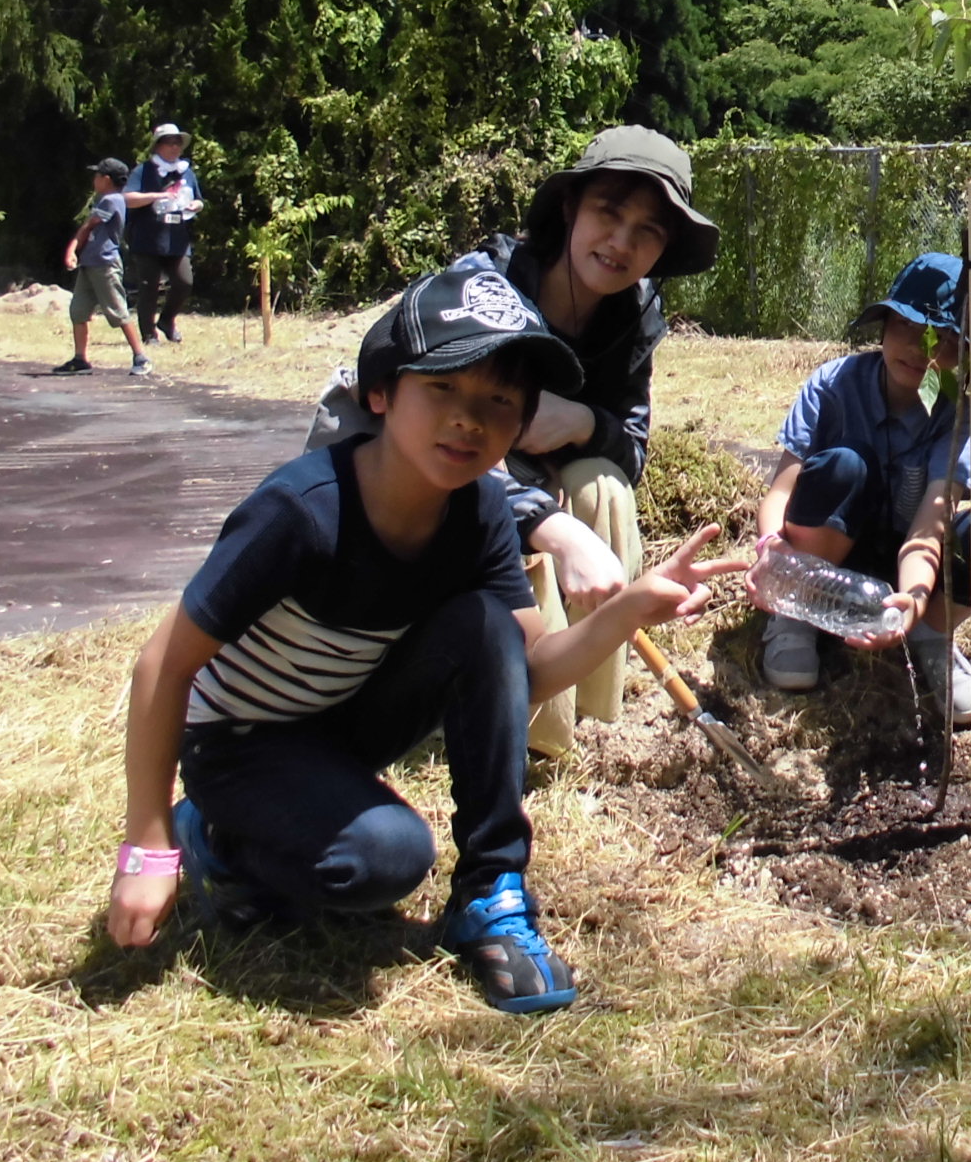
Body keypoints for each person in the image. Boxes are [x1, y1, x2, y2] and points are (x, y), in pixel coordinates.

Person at [102, 266, 742, 1013]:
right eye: (443, 387)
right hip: (240, 742)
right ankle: (217, 835)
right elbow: (161, 667)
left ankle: (489, 892)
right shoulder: (301, 511)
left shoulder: (477, 515)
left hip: (343, 726)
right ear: (381, 392)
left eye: (500, 401)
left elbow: (525, 669)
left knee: (480, 625)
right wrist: (147, 849)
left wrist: (625, 610)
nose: (470, 419)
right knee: (385, 861)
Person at [308, 127, 720, 757]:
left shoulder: (634, 315)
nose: (622, 244)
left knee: (604, 486)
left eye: (648, 231)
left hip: (523, 476)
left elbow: (631, 449)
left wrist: (580, 421)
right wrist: (554, 527)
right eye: (609, 214)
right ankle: (522, 733)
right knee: (530, 535)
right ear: (569, 208)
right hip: (426, 478)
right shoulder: (487, 288)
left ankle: (589, 711)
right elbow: (441, 441)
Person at [754, 251, 971, 725]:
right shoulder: (832, 385)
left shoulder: (958, 418)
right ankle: (797, 616)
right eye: (907, 325)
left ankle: (929, 636)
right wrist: (769, 554)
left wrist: (915, 601)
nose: (919, 349)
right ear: (883, 325)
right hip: (826, 553)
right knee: (844, 467)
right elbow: (781, 492)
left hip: (906, 570)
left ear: (965, 358)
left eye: (943, 340)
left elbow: (930, 526)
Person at [55, 158, 152, 378]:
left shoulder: (112, 200)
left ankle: (141, 356)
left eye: (97, 175)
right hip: (90, 263)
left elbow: (89, 226)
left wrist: (71, 249)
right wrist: (76, 252)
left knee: (118, 311)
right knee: (78, 311)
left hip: (105, 264)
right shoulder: (103, 200)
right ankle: (80, 359)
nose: (94, 179)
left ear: (106, 179)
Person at [123, 124, 203, 345]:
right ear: (158, 146)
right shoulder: (143, 170)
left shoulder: (187, 171)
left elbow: (197, 198)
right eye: (169, 142)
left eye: (178, 142)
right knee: (149, 287)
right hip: (147, 238)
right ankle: (148, 334)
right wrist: (156, 196)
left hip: (177, 238)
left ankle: (167, 320)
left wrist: (196, 205)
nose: (175, 147)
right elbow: (127, 198)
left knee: (184, 281)